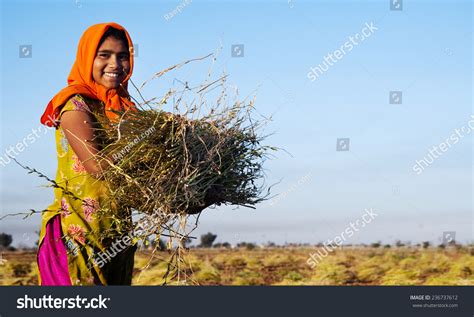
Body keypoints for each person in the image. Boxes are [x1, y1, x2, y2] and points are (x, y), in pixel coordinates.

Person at [37, 22, 137, 286]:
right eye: (104, 55)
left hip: (115, 235)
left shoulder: (122, 110)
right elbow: (98, 166)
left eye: (123, 55)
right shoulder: (74, 104)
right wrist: (150, 147)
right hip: (76, 236)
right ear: (87, 57)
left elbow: (134, 184)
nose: (115, 63)